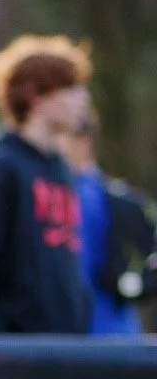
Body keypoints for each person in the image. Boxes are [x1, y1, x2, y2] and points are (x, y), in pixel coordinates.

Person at [0, 36, 92, 335]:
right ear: (34, 95)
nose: (83, 100)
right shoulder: (2, 166)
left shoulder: (62, 168)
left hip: (67, 347)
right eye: (70, 89)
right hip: (20, 354)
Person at [60, 114, 153, 336]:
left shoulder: (117, 200)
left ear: (84, 140)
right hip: (63, 337)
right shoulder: (49, 194)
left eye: (60, 134)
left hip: (112, 335)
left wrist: (130, 286)